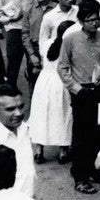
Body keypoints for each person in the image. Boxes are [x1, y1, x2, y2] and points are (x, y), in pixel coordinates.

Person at [58, 0, 100, 194]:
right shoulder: (70, 39)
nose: (94, 23)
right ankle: (80, 177)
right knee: (81, 135)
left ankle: (94, 170)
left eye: (97, 19)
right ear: (81, 21)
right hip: (80, 92)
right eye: (90, 20)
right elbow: (62, 67)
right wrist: (77, 89)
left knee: (98, 133)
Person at [30, 20, 76, 165]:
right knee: (63, 114)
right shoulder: (70, 45)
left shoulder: (47, 44)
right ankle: (63, 151)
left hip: (44, 81)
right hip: (62, 81)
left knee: (42, 114)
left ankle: (39, 151)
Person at [0, 0, 37, 87]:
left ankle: (34, 93)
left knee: (33, 64)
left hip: (30, 32)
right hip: (14, 31)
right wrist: (11, 19)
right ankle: (11, 91)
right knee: (13, 65)